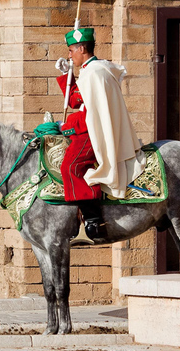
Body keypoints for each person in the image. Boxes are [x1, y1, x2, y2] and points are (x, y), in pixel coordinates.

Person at [55, 28, 146, 241]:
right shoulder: (90, 70)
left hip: (91, 131)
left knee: (71, 167)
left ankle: (93, 221)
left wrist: (67, 125)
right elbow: (78, 100)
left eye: (71, 51)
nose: (69, 55)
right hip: (88, 126)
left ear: (82, 48)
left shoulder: (95, 72)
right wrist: (66, 75)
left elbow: (88, 113)